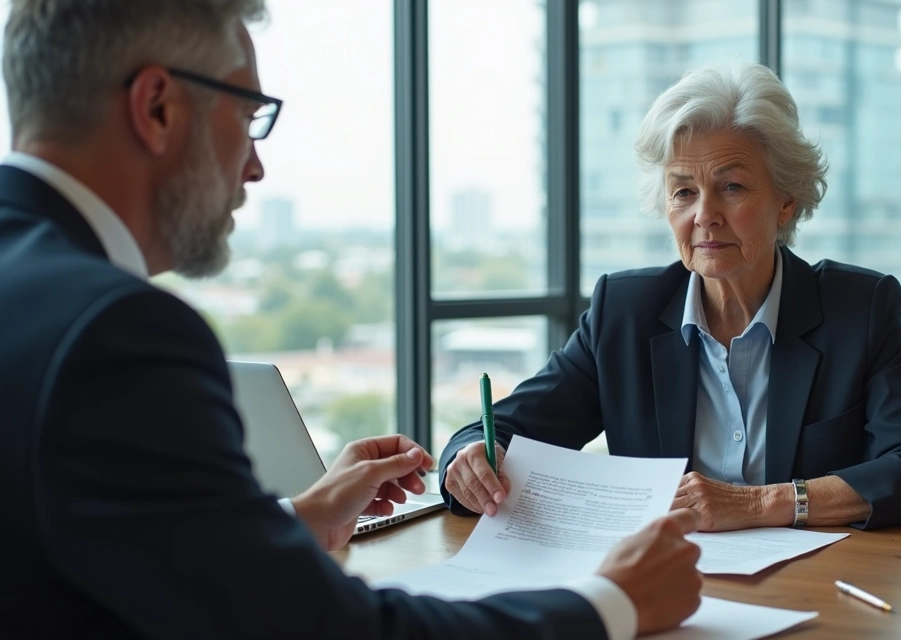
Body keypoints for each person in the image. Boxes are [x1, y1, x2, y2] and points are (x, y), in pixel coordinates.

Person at [0, 1, 703, 638]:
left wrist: (293, 523)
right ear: (157, 107)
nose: (255, 168)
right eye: (249, 117)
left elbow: (90, 543)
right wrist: (611, 602)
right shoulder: (115, 332)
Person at [442, 62, 901, 532]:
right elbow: (503, 428)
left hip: (817, 595)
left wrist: (760, 504)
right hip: (667, 588)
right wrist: (468, 458)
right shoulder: (624, 313)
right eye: (684, 191)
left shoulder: (858, 310)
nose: (704, 215)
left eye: (732, 187)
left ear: (786, 202)